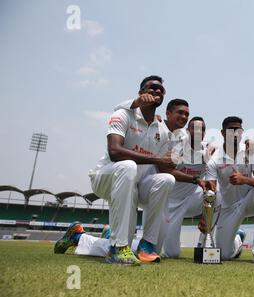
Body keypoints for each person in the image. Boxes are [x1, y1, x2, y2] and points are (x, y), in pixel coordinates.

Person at [54, 75, 176, 266]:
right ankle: (117, 248)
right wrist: (134, 103)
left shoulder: (162, 130)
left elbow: (162, 165)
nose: (157, 91)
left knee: (167, 179)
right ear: (141, 92)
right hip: (107, 178)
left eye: (161, 90)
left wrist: (172, 164)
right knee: (128, 165)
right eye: (152, 87)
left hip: (135, 187)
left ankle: (142, 244)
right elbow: (115, 152)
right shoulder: (124, 114)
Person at [204, 116, 254, 264]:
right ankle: (237, 239)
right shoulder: (215, 159)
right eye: (231, 130)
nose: (235, 134)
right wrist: (206, 217)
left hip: (249, 201)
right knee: (224, 255)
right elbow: (211, 192)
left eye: (238, 130)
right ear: (222, 133)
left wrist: (244, 180)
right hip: (229, 208)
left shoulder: (250, 152)